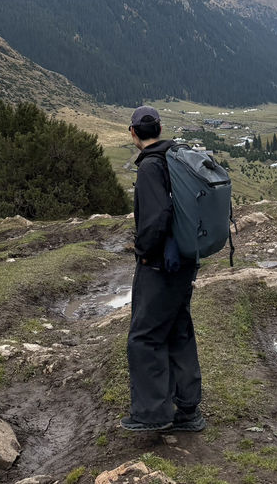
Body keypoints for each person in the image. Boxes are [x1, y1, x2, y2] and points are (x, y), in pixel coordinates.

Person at [120, 105, 205, 432]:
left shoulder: (150, 167)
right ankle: (187, 410)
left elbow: (155, 221)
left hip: (159, 266)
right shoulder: (175, 157)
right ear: (159, 127)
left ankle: (151, 412)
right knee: (178, 330)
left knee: (144, 337)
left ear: (133, 133)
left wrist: (143, 253)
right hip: (184, 261)